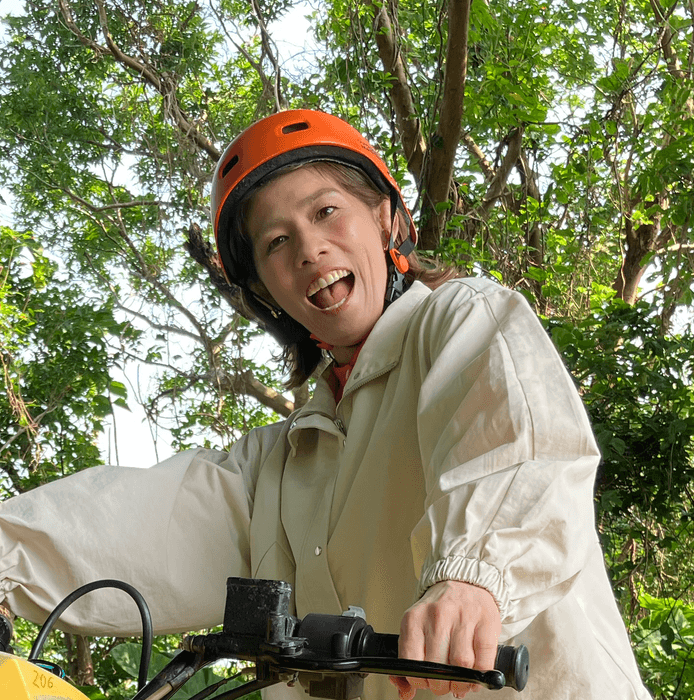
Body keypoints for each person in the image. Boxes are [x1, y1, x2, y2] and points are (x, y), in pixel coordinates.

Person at [0, 110, 651, 699]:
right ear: (265, 288)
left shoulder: (460, 321)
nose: (310, 249)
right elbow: (142, 522)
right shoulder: (280, 465)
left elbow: (515, 447)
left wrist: (470, 578)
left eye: (326, 211)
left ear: (386, 217)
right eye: (276, 242)